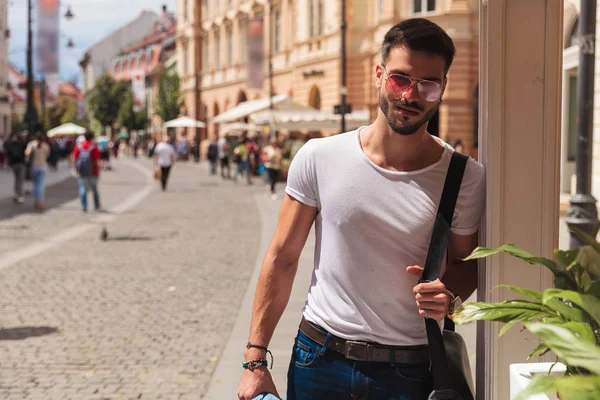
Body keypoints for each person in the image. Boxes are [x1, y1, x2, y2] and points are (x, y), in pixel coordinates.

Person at [237, 18, 486, 400]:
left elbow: (469, 265)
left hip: (411, 371)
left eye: (427, 84)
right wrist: (255, 360)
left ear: (442, 89)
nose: (410, 95)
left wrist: (448, 294)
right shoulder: (319, 157)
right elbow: (282, 258)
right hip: (318, 361)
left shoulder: (463, 176)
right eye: (399, 79)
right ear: (378, 74)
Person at [72, 131, 102, 212]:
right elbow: (96, 161)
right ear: (92, 137)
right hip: (93, 171)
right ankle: (96, 205)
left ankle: (84, 206)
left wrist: (75, 169)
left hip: (82, 171)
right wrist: (98, 171)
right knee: (94, 188)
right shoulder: (94, 147)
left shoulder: (79, 146)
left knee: (83, 188)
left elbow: (74, 158)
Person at [25, 132, 51, 210]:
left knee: (36, 184)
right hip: (42, 166)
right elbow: (47, 156)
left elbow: (27, 153)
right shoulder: (46, 146)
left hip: (34, 166)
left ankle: (37, 200)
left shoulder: (32, 144)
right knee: (40, 184)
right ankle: (40, 200)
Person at [5, 132, 27, 203]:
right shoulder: (23, 144)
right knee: (20, 180)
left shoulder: (12, 144)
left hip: (14, 164)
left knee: (17, 179)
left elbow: (8, 152)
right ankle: (19, 195)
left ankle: (16, 194)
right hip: (21, 163)